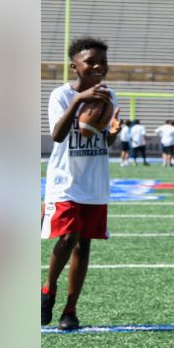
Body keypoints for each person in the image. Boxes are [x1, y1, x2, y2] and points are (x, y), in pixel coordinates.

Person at [42, 36, 119, 331]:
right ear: (74, 66)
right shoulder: (60, 95)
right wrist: (78, 101)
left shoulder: (109, 96)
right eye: (91, 61)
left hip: (95, 180)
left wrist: (113, 131)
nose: (98, 66)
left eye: (103, 62)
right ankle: (48, 289)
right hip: (65, 179)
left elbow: (103, 140)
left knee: (83, 245)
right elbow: (58, 135)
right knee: (69, 234)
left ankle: (70, 310)